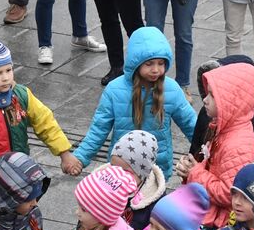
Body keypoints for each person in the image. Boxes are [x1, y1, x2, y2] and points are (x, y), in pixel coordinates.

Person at [0, 39, 81, 212]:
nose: (5, 77)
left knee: (25, 213)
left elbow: (45, 121)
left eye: (8, 70)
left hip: (20, 173)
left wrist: (64, 153)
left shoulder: (21, 95)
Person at [73, 26, 196, 177]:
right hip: (123, 169)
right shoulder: (114, 90)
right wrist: (80, 157)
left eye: (161, 63)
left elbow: (191, 125)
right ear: (135, 63)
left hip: (157, 170)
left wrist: (209, 151)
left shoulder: (171, 89)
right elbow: (99, 129)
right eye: (149, 64)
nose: (156, 70)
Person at [173, 60, 254, 226]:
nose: (205, 100)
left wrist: (194, 173)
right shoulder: (223, 128)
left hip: (220, 222)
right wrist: (190, 171)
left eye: (212, 95)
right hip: (210, 210)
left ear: (231, 102)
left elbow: (228, 194)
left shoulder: (237, 146)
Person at [109, 130, 163, 230]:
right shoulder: (101, 183)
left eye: (126, 171)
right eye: (113, 167)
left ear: (142, 173)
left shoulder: (154, 202)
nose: (118, 175)